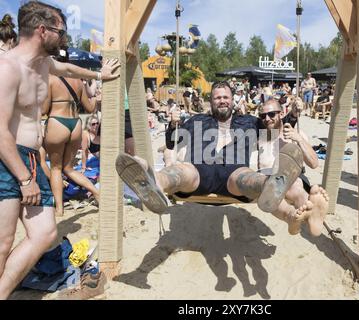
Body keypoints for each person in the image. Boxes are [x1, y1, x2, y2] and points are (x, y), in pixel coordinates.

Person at [0, 1, 119, 299]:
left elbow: (67, 67)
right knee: (3, 241)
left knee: (46, 233)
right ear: (42, 31)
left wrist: (98, 74)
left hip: (28, 157)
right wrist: (24, 178)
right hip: (7, 159)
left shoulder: (43, 63)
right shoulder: (8, 69)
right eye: (61, 31)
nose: (65, 38)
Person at [115, 81, 328, 236]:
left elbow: (273, 125)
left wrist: (293, 113)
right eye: (217, 98)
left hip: (234, 174)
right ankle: (154, 184)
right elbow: (172, 143)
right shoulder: (197, 119)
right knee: (180, 171)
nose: (222, 101)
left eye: (225, 97)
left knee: (252, 179)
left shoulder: (249, 122)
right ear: (211, 101)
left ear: (232, 100)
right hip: (198, 171)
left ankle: (290, 212)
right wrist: (172, 125)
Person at [42, 48, 100, 216]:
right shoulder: (78, 81)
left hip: (57, 122)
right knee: (69, 168)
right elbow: (89, 108)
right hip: (75, 124)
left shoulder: (50, 79)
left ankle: (59, 209)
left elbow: (45, 109)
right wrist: (95, 96)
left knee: (55, 168)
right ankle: (96, 192)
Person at [257, 99, 328, 235]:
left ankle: (311, 211)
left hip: (293, 178)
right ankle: (309, 212)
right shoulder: (260, 136)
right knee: (274, 186)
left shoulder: (296, 134)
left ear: (282, 113)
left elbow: (314, 163)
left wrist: (299, 140)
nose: (267, 119)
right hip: (267, 179)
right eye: (263, 116)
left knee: (295, 185)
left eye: (271, 114)